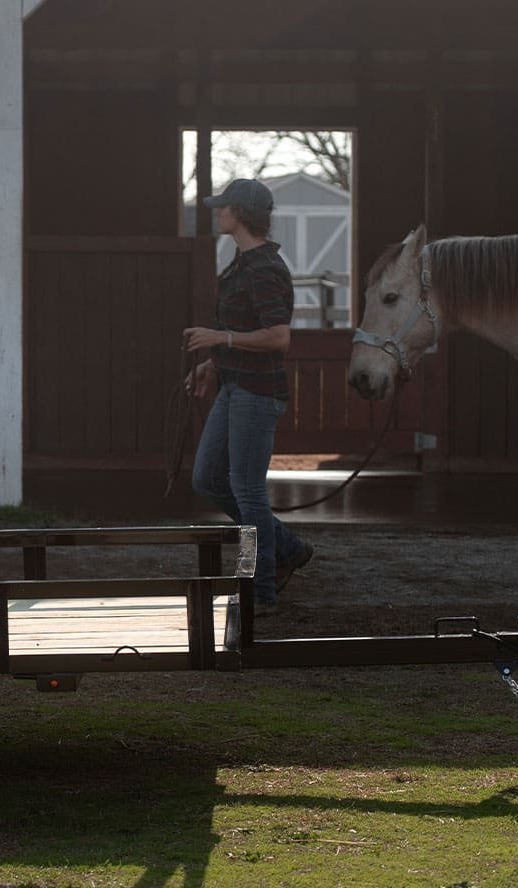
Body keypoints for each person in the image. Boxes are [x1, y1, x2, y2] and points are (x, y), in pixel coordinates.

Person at [182, 178, 314, 623]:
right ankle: (288, 548)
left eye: (223, 206)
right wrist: (213, 363)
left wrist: (220, 338)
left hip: (257, 394)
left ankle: (260, 591)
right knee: (207, 478)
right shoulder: (242, 263)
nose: (218, 211)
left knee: (248, 489)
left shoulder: (263, 269)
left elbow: (278, 337)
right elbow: (247, 331)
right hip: (235, 385)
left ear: (239, 213)